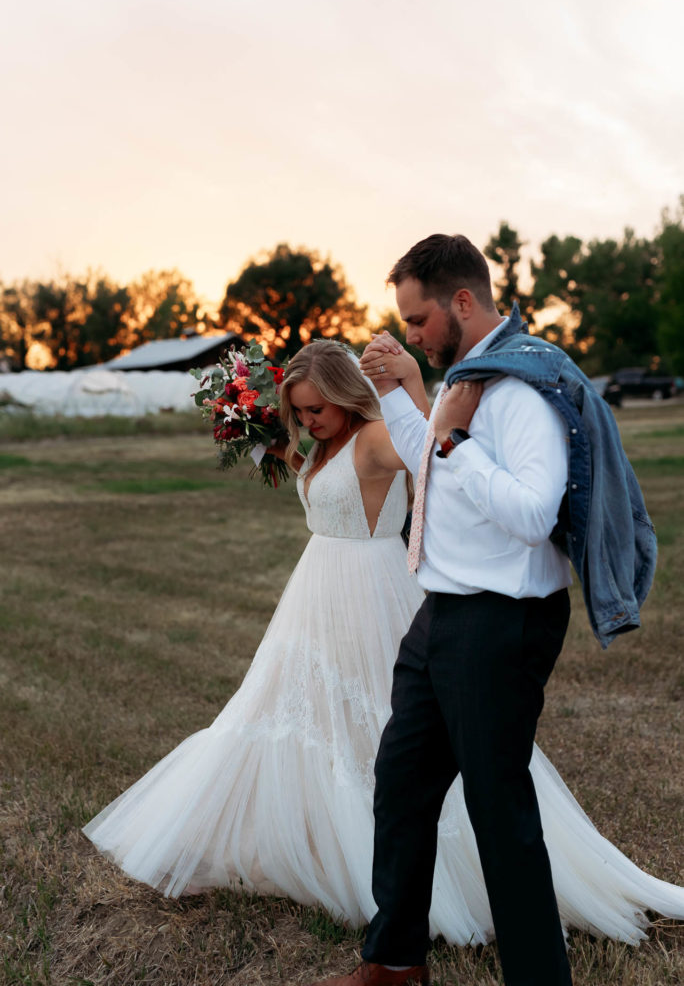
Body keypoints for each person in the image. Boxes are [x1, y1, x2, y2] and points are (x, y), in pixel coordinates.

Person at [82, 340, 682, 975]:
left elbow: (429, 452)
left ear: (343, 396)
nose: (309, 421)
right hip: (315, 593)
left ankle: (416, 900)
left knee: (389, 738)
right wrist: (258, 434)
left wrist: (432, 405)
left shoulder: (372, 438)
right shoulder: (322, 446)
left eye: (317, 409)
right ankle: (306, 853)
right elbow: (307, 470)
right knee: (291, 716)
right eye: (299, 412)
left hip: (372, 589)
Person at [306, 234, 678, 986]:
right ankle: (396, 961)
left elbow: (533, 513)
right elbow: (427, 458)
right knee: (402, 781)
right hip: (442, 612)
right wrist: (407, 403)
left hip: (502, 623)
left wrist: (453, 441)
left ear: (463, 303)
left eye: (417, 321)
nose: (411, 335)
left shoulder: (521, 391)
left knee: (497, 808)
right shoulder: (463, 384)